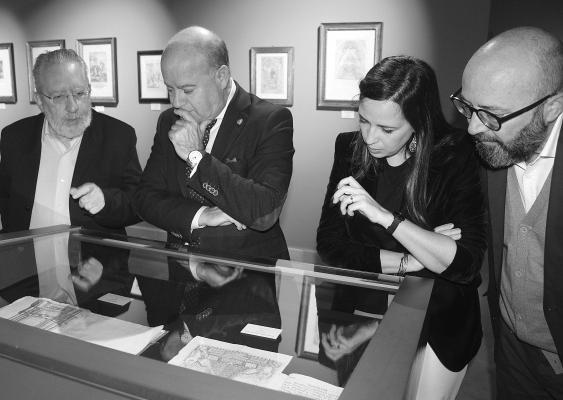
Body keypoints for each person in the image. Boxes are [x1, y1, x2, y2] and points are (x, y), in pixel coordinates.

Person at [317, 55, 487, 399]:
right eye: (364, 120)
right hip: (362, 308)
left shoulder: (456, 153)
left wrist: (386, 218)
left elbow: (465, 265)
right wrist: (416, 258)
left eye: (387, 129)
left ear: (419, 122)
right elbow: (330, 244)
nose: (370, 137)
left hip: (438, 320)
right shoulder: (348, 148)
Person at [454, 26, 563, 399]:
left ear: (552, 106)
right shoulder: (494, 146)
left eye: (491, 115)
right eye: (467, 106)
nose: (472, 127)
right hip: (511, 347)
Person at [134, 26, 294, 266]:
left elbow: (263, 212)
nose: (176, 102)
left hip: (247, 272)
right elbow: (145, 198)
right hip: (183, 268)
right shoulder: (169, 121)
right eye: (170, 89)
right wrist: (201, 216)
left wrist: (196, 157)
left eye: (187, 90)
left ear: (221, 76)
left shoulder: (269, 120)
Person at [0, 49, 141, 235]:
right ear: (39, 100)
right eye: (58, 97)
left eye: (80, 93)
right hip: (26, 251)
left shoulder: (118, 136)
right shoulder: (14, 137)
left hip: (94, 252)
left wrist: (106, 201)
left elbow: (140, 202)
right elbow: (6, 199)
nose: (73, 107)